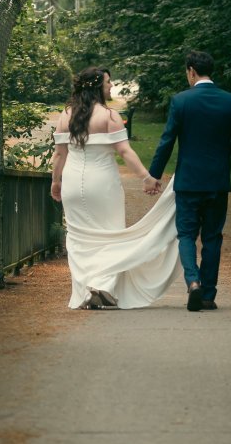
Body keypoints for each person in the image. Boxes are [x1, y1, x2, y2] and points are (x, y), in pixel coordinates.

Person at [49, 67, 181, 310]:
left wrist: (56, 182)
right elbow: (124, 152)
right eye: (108, 82)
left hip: (72, 184)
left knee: (79, 239)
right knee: (110, 234)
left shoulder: (65, 115)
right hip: (102, 184)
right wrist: (146, 178)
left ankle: (88, 287)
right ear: (97, 87)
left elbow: (59, 154)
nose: (111, 86)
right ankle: (102, 285)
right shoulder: (110, 116)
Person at [145, 51, 231, 312]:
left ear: (191, 71)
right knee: (212, 237)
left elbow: (167, 141)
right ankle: (208, 295)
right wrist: (219, 151)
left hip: (189, 181)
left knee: (187, 235)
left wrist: (154, 175)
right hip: (217, 181)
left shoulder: (181, 101)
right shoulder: (230, 101)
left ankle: (193, 282)